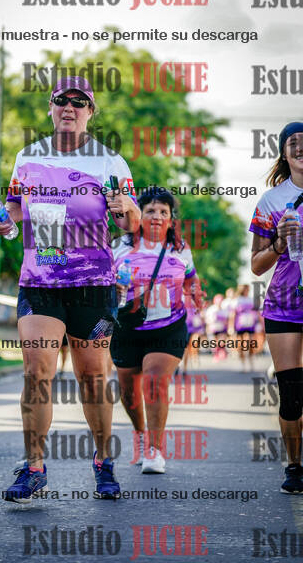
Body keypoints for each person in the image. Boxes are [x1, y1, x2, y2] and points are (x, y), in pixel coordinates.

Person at [0, 76, 140, 502]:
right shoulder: (28, 157)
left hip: (93, 283)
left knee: (92, 376)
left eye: (79, 101)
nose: (69, 107)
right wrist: (6, 222)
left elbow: (131, 223)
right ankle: (34, 466)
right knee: (37, 371)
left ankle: (104, 461)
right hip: (41, 280)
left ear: (90, 111)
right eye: (61, 100)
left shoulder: (110, 161)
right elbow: (15, 206)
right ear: (51, 108)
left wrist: (127, 208)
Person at [110, 188, 202, 473]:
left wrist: (196, 297)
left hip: (169, 326)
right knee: (128, 392)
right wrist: (115, 287)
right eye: (150, 210)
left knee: (154, 381)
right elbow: (102, 284)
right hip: (127, 327)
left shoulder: (180, 249)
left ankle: (154, 450)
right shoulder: (118, 247)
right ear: (138, 214)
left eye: (164, 211)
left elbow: (192, 280)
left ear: (171, 218)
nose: (157, 216)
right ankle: (140, 434)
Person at [250, 121, 303, 494]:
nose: (300, 147)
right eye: (292, 142)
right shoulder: (271, 201)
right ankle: (294, 466)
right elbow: (257, 265)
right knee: (292, 394)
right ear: (284, 153)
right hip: (285, 304)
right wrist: (280, 243)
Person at [228, 284, 257, 372]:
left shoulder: (251, 299)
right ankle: (242, 363)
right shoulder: (237, 300)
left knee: (251, 343)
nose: (247, 291)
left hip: (250, 324)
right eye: (246, 289)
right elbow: (232, 314)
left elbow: (255, 312)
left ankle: (251, 361)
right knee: (240, 344)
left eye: (248, 289)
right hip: (240, 324)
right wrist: (231, 326)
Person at [205, 294, 228, 361]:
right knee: (214, 343)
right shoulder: (211, 309)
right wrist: (208, 327)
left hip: (222, 329)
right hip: (213, 329)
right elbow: (207, 320)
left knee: (221, 342)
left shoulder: (224, 310)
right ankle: (216, 354)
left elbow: (227, 319)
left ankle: (221, 353)